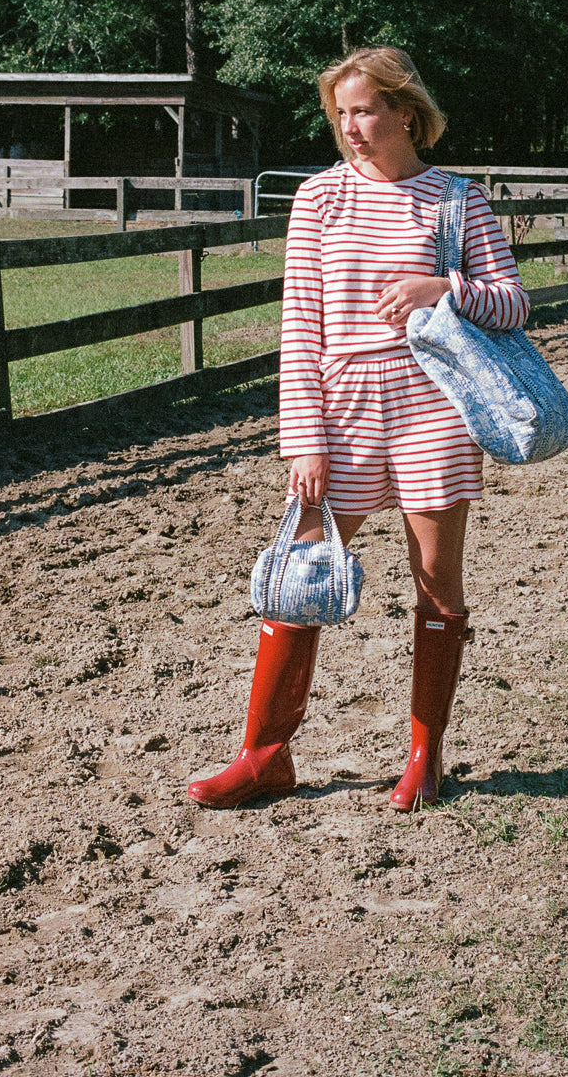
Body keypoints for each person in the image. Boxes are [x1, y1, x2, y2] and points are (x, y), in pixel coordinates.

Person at [186, 47, 529, 812]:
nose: (351, 128)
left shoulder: (455, 200)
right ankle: (264, 757)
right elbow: (299, 327)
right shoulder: (317, 198)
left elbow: (513, 303)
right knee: (298, 579)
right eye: (341, 114)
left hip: (431, 405)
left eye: (365, 111)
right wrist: (301, 438)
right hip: (338, 408)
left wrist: (446, 287)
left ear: (406, 112)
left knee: (437, 586)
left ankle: (423, 758)